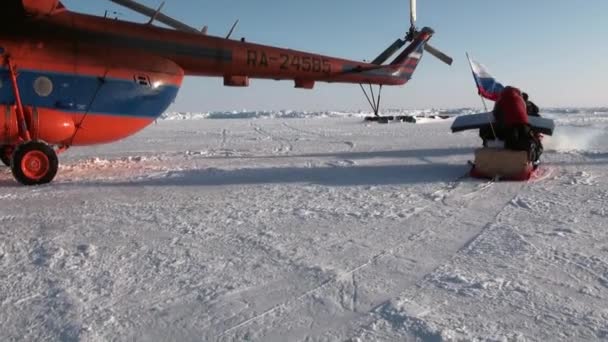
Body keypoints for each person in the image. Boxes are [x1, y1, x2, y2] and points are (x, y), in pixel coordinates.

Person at [493, 86, 543, 166]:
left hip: (509, 126)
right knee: (526, 138)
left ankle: (525, 150)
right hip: (524, 124)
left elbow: (496, 113)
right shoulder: (521, 100)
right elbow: (529, 111)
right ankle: (534, 157)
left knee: (511, 144)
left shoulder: (501, 100)